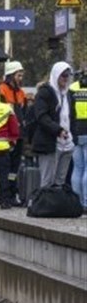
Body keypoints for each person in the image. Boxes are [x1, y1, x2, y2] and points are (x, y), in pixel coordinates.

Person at [33, 62, 75, 188]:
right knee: (47, 181)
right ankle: (44, 206)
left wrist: (74, 135)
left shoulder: (68, 94)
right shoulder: (45, 93)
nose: (66, 79)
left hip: (67, 143)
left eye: (68, 76)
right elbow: (41, 116)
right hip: (50, 143)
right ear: (56, 75)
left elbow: (71, 116)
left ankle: (57, 206)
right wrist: (58, 130)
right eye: (63, 75)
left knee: (60, 182)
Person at [0, 61, 28, 205]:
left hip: (19, 134)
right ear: (10, 76)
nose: (20, 78)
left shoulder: (21, 93)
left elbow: (24, 113)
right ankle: (1, 196)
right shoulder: (1, 90)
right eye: (18, 75)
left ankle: (11, 195)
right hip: (6, 135)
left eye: (21, 75)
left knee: (13, 168)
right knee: (3, 167)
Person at [69, 70, 87, 213]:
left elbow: (68, 111)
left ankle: (77, 202)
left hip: (75, 131)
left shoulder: (73, 88)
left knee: (77, 168)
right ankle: (86, 202)